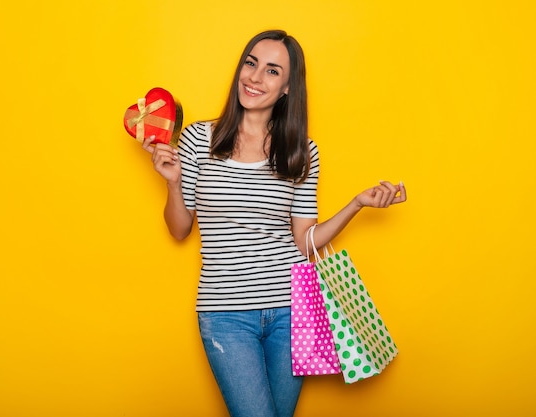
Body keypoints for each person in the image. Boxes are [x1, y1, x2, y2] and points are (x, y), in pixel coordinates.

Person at [141, 29, 407, 417]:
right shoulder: (199, 139)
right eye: (250, 64)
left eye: (271, 71)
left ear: (286, 88)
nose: (254, 77)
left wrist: (357, 204)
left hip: (291, 311)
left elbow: (305, 242)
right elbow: (180, 229)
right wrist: (175, 182)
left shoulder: (301, 150)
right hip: (225, 314)